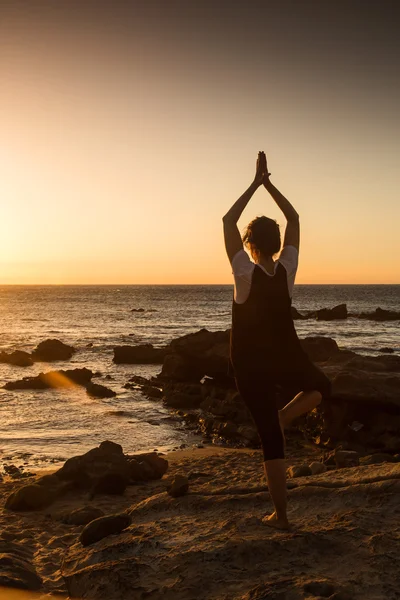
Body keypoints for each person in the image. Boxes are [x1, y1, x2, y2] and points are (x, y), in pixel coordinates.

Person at [222, 151, 331, 530]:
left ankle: (281, 516)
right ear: (277, 242)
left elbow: (227, 220)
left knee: (271, 436)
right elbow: (295, 219)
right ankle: (283, 417)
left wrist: (254, 184)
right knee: (321, 387)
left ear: (249, 243)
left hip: (250, 364)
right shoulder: (287, 269)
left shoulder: (243, 272)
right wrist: (270, 184)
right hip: (285, 355)